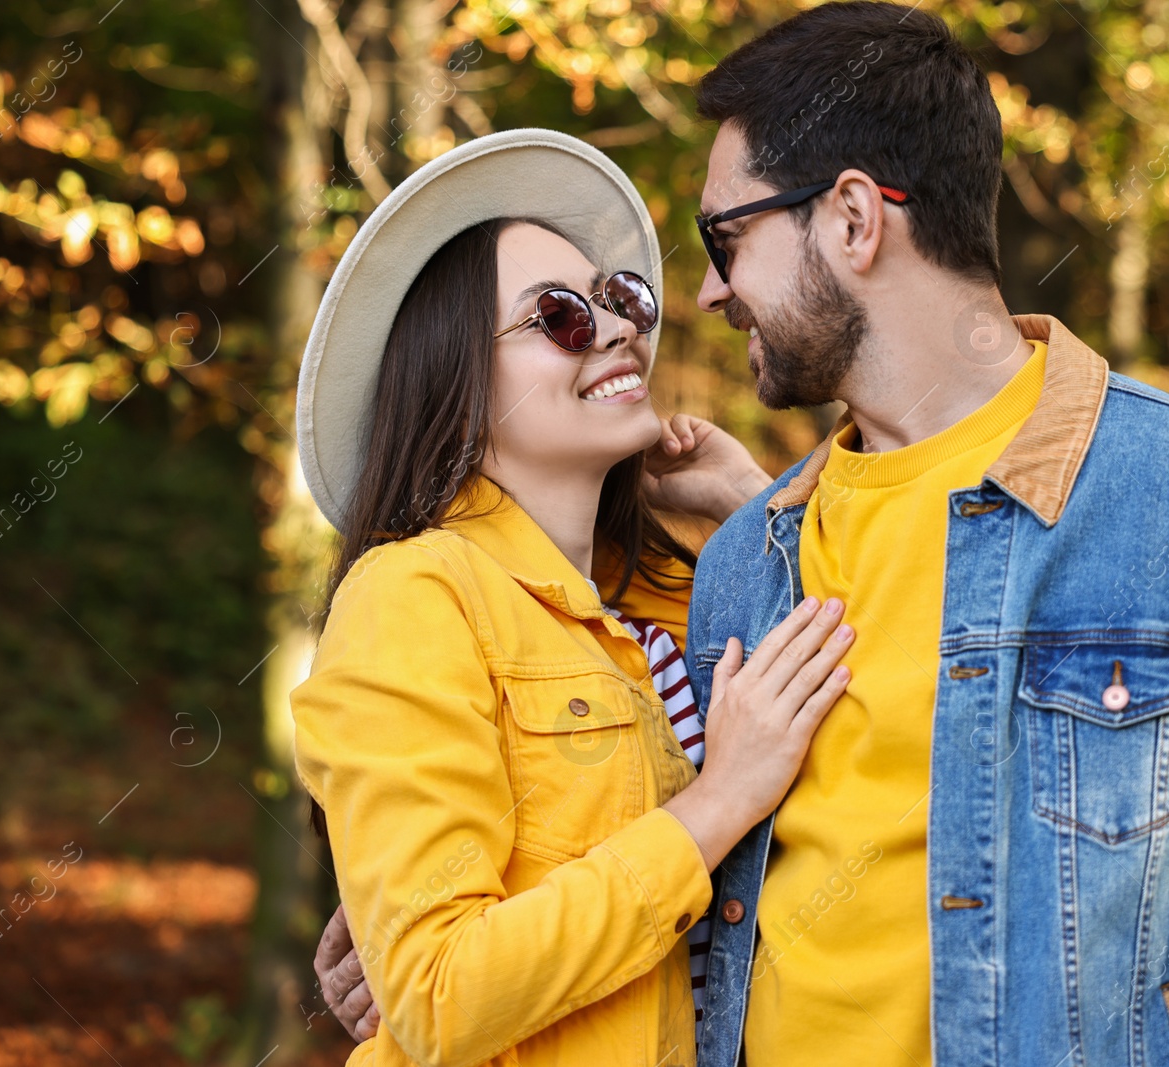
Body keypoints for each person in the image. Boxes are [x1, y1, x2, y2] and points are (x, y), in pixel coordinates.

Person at [323, 6, 1169, 1066]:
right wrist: (401, 899)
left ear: (854, 218)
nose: (702, 294)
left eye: (724, 238)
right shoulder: (745, 566)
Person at [291, 129, 855, 1067]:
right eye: (559, 313)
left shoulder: (676, 596)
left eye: (619, 297)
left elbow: (885, 698)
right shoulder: (412, 595)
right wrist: (716, 804)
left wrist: (749, 504)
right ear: (457, 385)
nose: (621, 325)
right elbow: (440, 992)